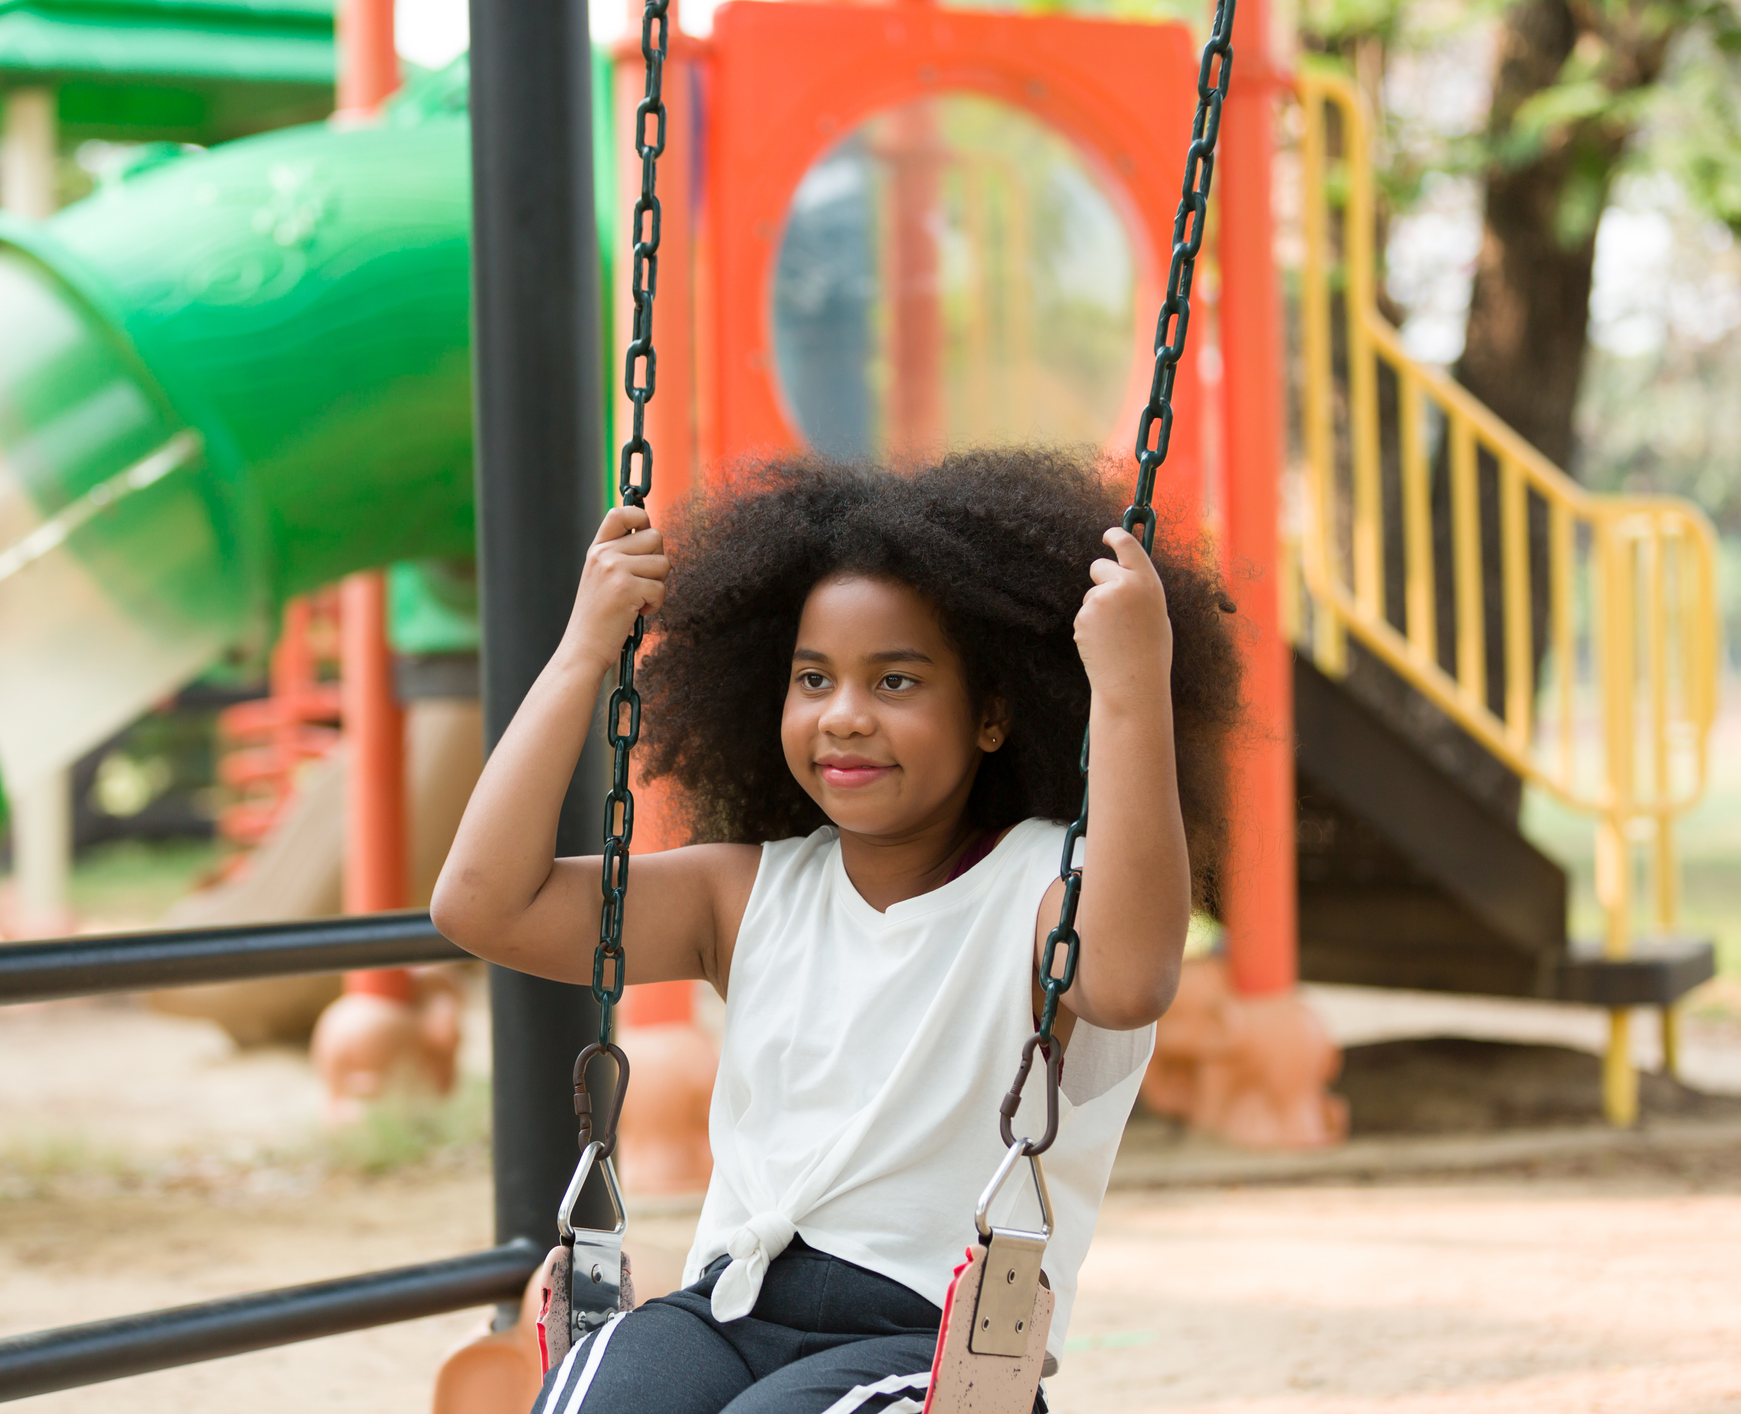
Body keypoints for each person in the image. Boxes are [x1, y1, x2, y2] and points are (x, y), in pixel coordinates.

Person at [432, 449, 1242, 1414]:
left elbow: (1128, 979)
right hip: (723, 1311)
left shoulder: (1047, 883)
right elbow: (482, 904)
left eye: (894, 682)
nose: (843, 716)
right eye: (812, 679)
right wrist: (584, 650)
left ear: (990, 714)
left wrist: (1129, 687)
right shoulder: (745, 895)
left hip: (929, 1342)